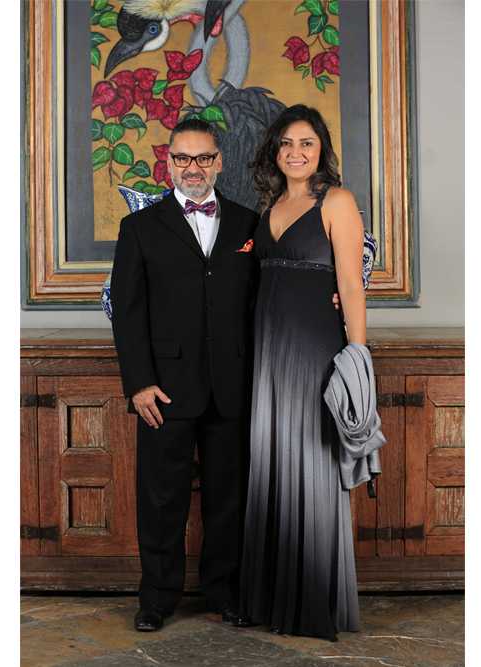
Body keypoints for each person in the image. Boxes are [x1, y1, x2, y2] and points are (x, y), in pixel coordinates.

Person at [110, 118, 259, 632]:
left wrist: (330, 297)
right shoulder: (139, 228)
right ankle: (156, 598)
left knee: (229, 500)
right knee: (161, 500)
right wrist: (139, 383)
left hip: (233, 387)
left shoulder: (248, 224)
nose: (193, 167)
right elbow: (128, 312)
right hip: (164, 390)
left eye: (203, 158)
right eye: (183, 158)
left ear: (219, 162)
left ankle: (226, 594)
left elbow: (264, 300)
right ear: (168, 162)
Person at [240, 105, 368, 642]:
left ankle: (311, 601)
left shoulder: (336, 201)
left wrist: (357, 359)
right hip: (268, 353)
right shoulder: (269, 204)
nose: (296, 152)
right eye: (287, 143)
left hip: (315, 349)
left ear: (321, 150)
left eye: (307, 143)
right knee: (272, 463)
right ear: (276, 150)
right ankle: (273, 600)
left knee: (312, 464)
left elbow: (352, 285)